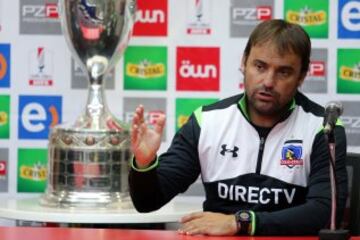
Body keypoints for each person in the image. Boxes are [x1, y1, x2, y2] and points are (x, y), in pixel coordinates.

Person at [129, 19, 348, 236]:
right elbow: (148, 202)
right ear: (244, 62)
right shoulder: (207, 122)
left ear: (301, 76)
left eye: (283, 72)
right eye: (260, 66)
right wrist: (144, 164)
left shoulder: (322, 128)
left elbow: (326, 213)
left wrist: (242, 222)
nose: (268, 81)